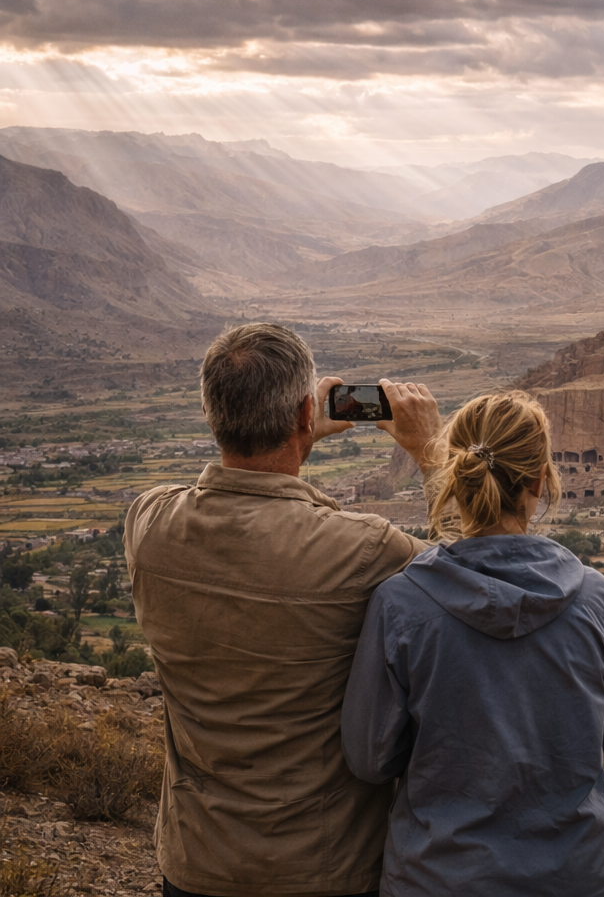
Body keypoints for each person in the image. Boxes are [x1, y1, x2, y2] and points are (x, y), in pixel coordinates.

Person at [125, 323, 441, 897]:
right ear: (304, 412)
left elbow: (246, 504)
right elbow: (473, 571)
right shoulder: (361, 549)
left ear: (209, 411)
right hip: (324, 868)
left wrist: (297, 435)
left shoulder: (149, 526)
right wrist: (430, 453)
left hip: (198, 861)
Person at [341, 389, 604, 897]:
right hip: (582, 877)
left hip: (442, 878)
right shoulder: (595, 597)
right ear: (541, 480)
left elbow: (369, 757)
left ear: (456, 477)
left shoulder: (402, 603)